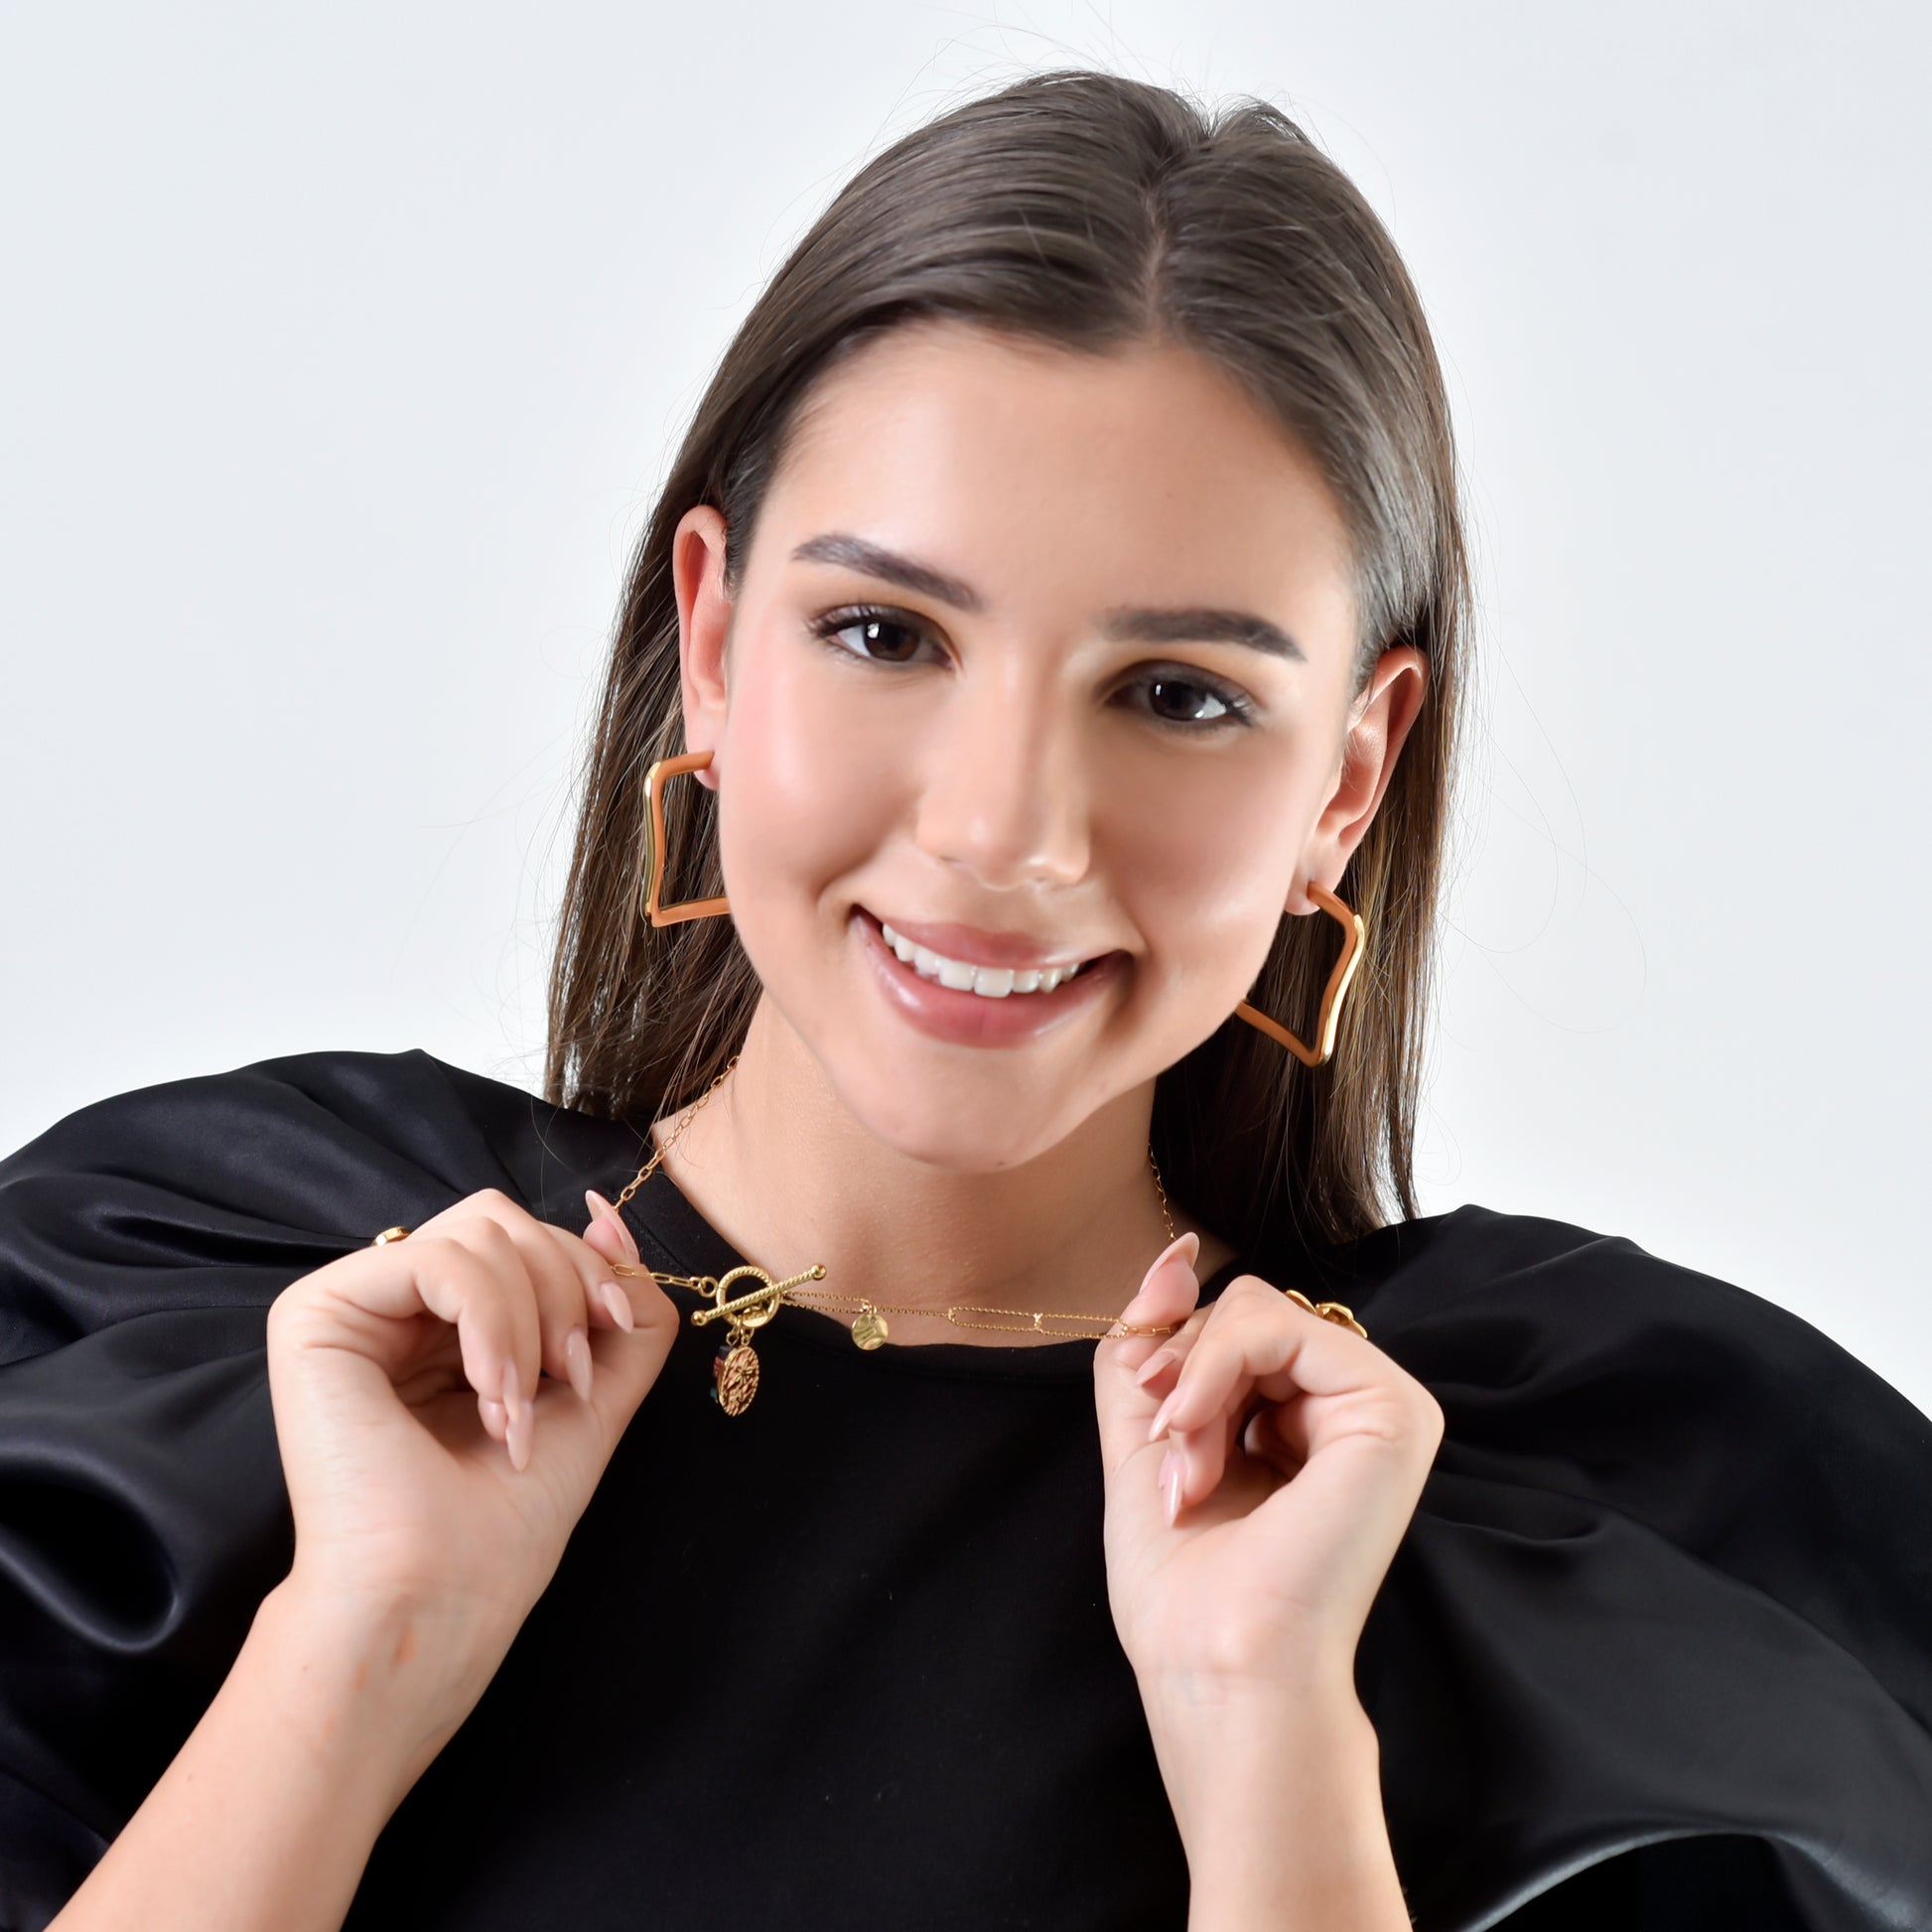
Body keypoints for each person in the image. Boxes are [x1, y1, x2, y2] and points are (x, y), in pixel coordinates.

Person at [3, 67, 1928, 1932]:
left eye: (1177, 692)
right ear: (713, 635)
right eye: (883, 632)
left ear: (1348, 774)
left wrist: (1272, 1741)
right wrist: (353, 1652)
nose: (1002, 830)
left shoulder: (1597, 1529)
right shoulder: (195, 1330)